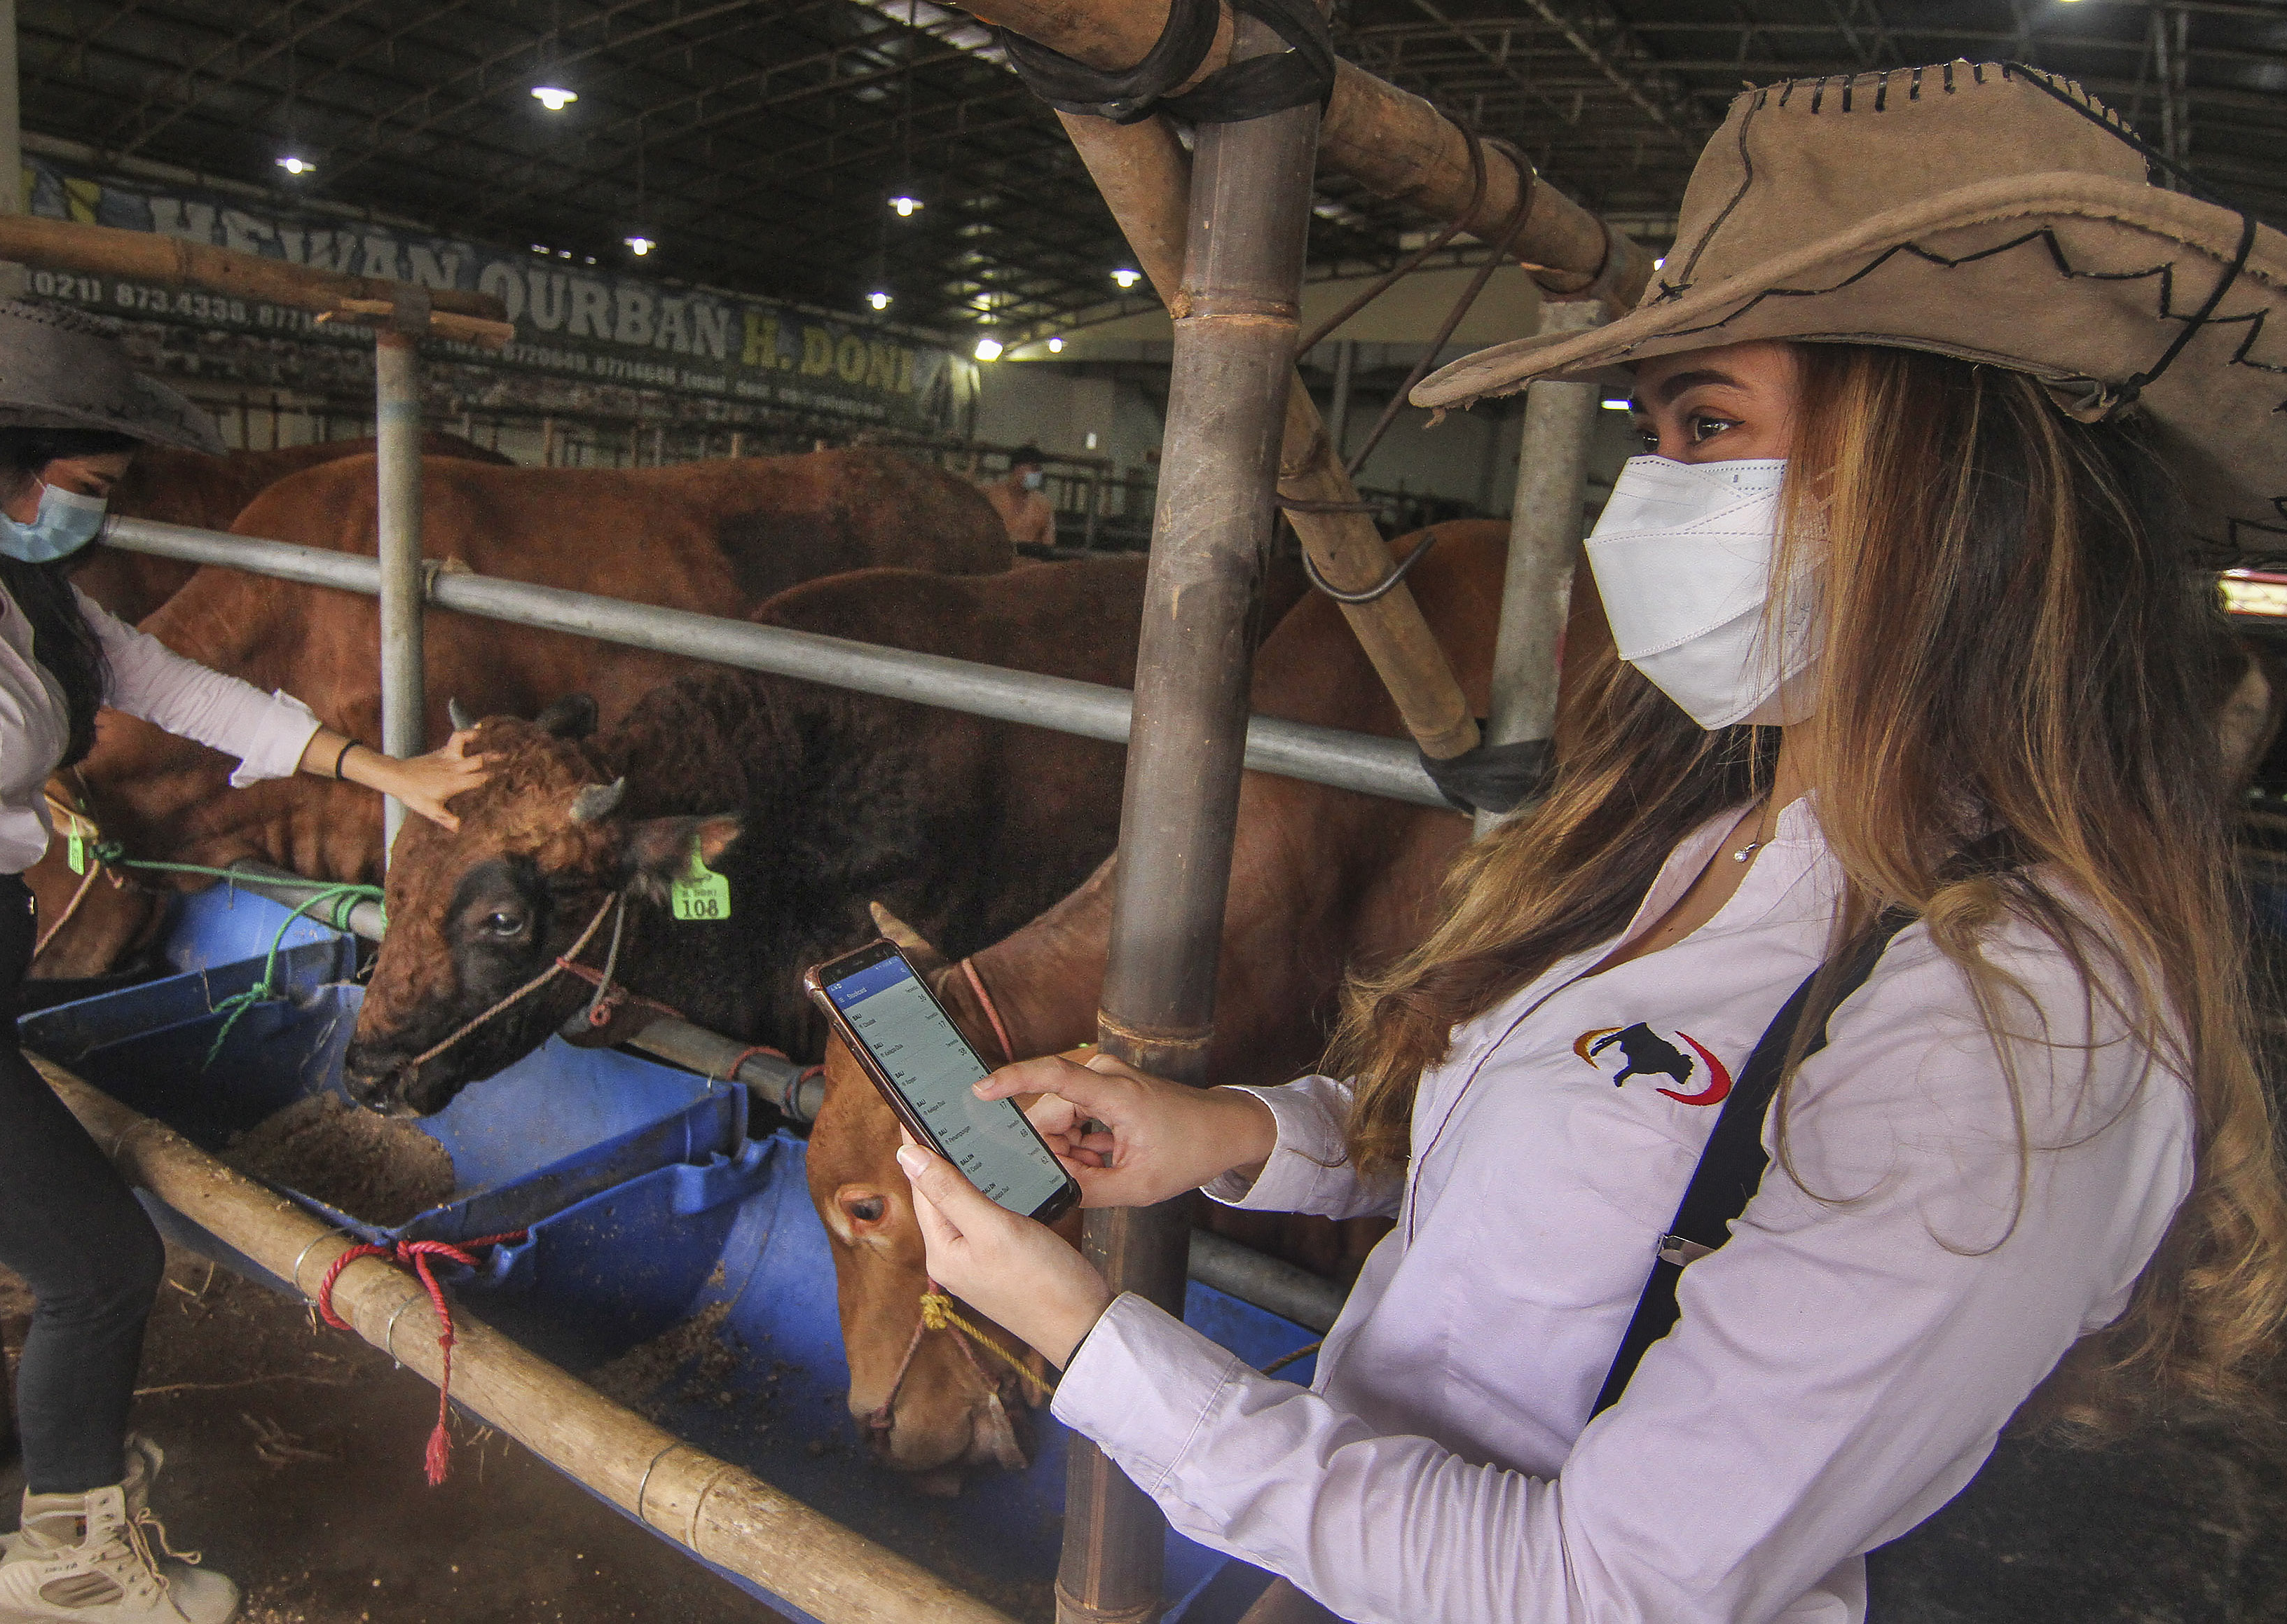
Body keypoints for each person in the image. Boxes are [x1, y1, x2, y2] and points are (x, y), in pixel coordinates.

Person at [894, 63, 2287, 1624]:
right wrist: (1227, 1134)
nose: (1649, 498)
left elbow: (1604, 1584)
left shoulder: (2015, 1022)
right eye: (1653, 431)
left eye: (1706, 425)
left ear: (1935, 482)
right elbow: (1569, 1137)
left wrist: (1096, 1349)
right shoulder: (1722, 831)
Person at [0, 300, 488, 1624]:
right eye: (91, 486)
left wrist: (381, 767)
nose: (98, 515)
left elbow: (177, 686)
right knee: (99, 1260)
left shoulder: (3, 587)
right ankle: (71, 1556)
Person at [980, 444, 1057, 553]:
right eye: (1034, 468)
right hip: (992, 558)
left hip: (1028, 563)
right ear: (1017, 468)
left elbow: (1048, 544)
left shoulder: (1043, 504)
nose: (1038, 474)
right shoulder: (989, 495)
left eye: (1039, 470)